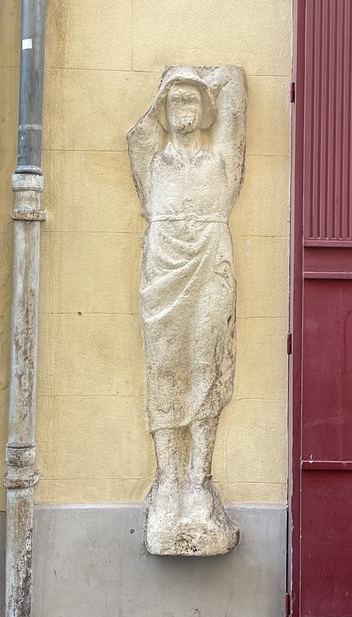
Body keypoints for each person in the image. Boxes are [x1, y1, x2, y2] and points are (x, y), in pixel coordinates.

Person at [127, 65, 246, 555]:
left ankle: (198, 483)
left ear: (206, 110)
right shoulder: (153, 164)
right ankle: (168, 481)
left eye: (193, 102)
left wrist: (210, 78)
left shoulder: (222, 158)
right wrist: (172, 84)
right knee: (165, 371)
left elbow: (235, 91)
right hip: (163, 268)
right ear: (162, 110)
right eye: (175, 103)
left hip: (210, 261)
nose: (184, 111)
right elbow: (135, 136)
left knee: (204, 364)